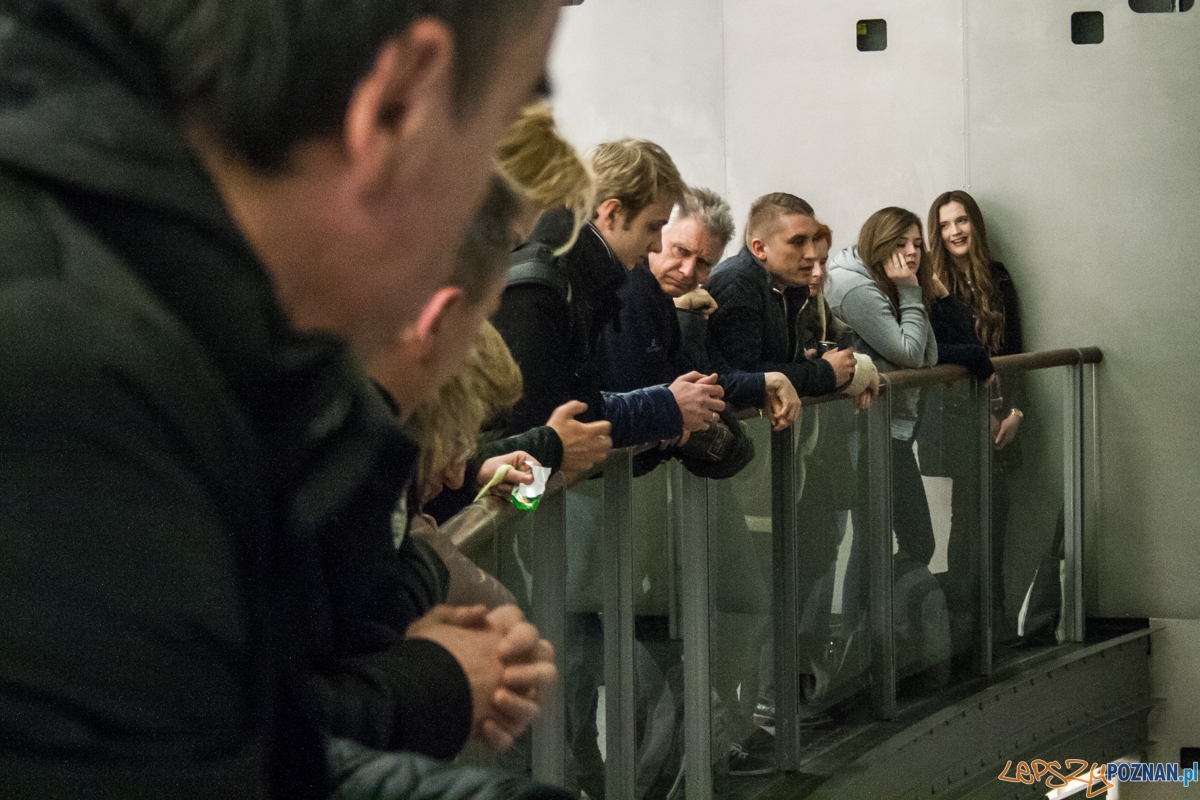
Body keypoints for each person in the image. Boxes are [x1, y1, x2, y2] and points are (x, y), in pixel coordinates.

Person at [0, 0, 570, 796]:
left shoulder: (160, 339)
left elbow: (220, 745)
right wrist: (432, 685)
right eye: (500, 126)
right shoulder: (78, 392)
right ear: (397, 107)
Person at [825, 207, 940, 631]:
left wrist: (912, 292)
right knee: (892, 541)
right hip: (867, 429)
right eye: (899, 244)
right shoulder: (856, 288)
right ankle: (864, 634)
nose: (911, 253)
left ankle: (874, 631)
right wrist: (911, 291)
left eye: (916, 245)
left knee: (877, 542)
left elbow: (927, 357)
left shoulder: (886, 282)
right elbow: (912, 353)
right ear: (878, 245)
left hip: (891, 428)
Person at [923, 190, 1025, 633]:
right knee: (963, 522)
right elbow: (933, 356)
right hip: (955, 418)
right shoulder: (933, 287)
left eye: (961, 221)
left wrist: (1017, 412)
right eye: (944, 225)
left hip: (1002, 413)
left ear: (975, 225)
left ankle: (990, 620)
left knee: (995, 516)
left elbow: (1018, 350)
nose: (954, 231)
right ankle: (973, 626)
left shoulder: (997, 278)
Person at [707, 193, 863, 403]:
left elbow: (792, 363)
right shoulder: (737, 283)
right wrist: (824, 373)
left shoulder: (792, 286)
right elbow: (745, 376)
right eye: (798, 242)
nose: (811, 253)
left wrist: (858, 375)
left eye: (812, 239)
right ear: (760, 248)